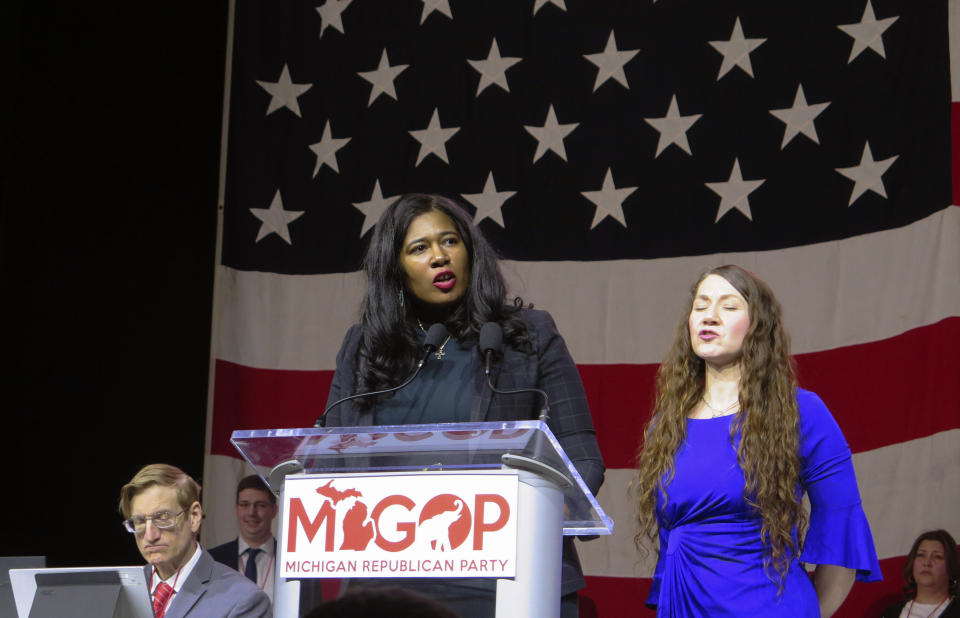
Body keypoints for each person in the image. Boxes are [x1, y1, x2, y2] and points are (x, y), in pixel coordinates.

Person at [323, 193, 604, 618]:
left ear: (470, 252)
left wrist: (534, 520)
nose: (439, 257)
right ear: (395, 270)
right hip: (387, 579)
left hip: (511, 576)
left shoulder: (526, 337)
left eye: (449, 241)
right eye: (419, 248)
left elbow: (582, 457)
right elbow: (330, 461)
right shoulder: (363, 348)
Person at [633, 264, 881, 617]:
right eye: (701, 306)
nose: (710, 316)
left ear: (758, 327)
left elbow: (841, 529)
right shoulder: (666, 426)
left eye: (729, 307)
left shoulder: (802, 412)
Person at [119, 463, 271, 618]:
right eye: (139, 522)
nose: (150, 536)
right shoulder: (120, 589)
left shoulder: (243, 600)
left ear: (194, 517)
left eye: (163, 518)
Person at [209, 475, 279, 604]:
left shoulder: (290, 562)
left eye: (261, 505)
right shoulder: (212, 560)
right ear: (236, 509)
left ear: (274, 510)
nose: (251, 512)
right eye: (244, 505)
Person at [881, 530, 959, 618]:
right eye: (921, 555)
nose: (927, 563)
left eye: (937, 557)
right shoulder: (890, 613)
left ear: (951, 566)